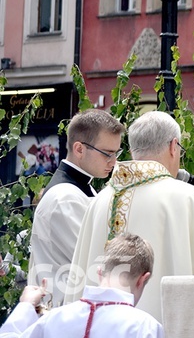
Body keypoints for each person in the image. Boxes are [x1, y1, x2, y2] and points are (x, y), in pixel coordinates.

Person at [67, 111, 194, 321]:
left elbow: (76, 285)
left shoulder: (98, 201)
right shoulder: (185, 198)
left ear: (132, 150)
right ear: (173, 146)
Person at [27, 109, 125, 307]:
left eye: (117, 153)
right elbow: (97, 261)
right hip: (63, 313)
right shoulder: (64, 198)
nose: (114, 162)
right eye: (108, 153)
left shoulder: (81, 188)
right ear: (79, 149)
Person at [0, 233, 163, 337]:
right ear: (143, 279)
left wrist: (26, 305)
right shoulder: (147, 328)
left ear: (99, 272)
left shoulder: (55, 318)